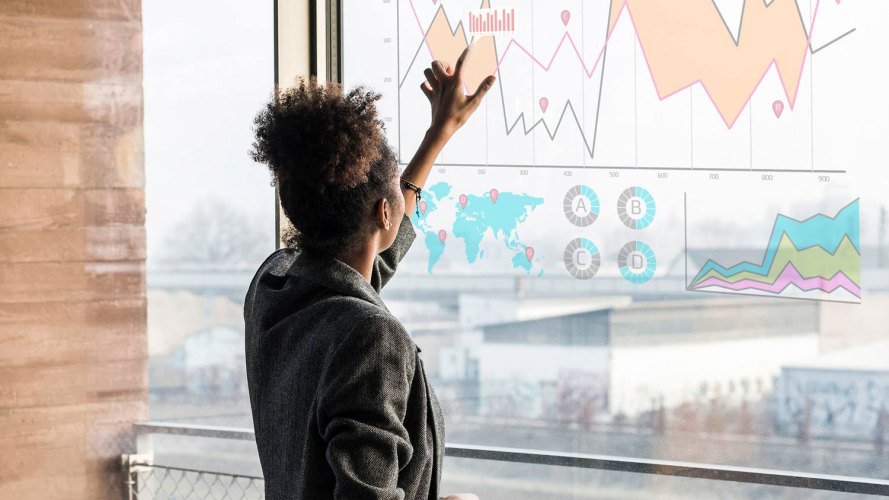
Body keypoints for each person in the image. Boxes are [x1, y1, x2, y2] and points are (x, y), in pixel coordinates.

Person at [244, 46, 496, 499]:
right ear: (384, 211)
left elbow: (366, 267)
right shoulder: (368, 336)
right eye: (394, 184)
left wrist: (437, 136)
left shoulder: (274, 286)